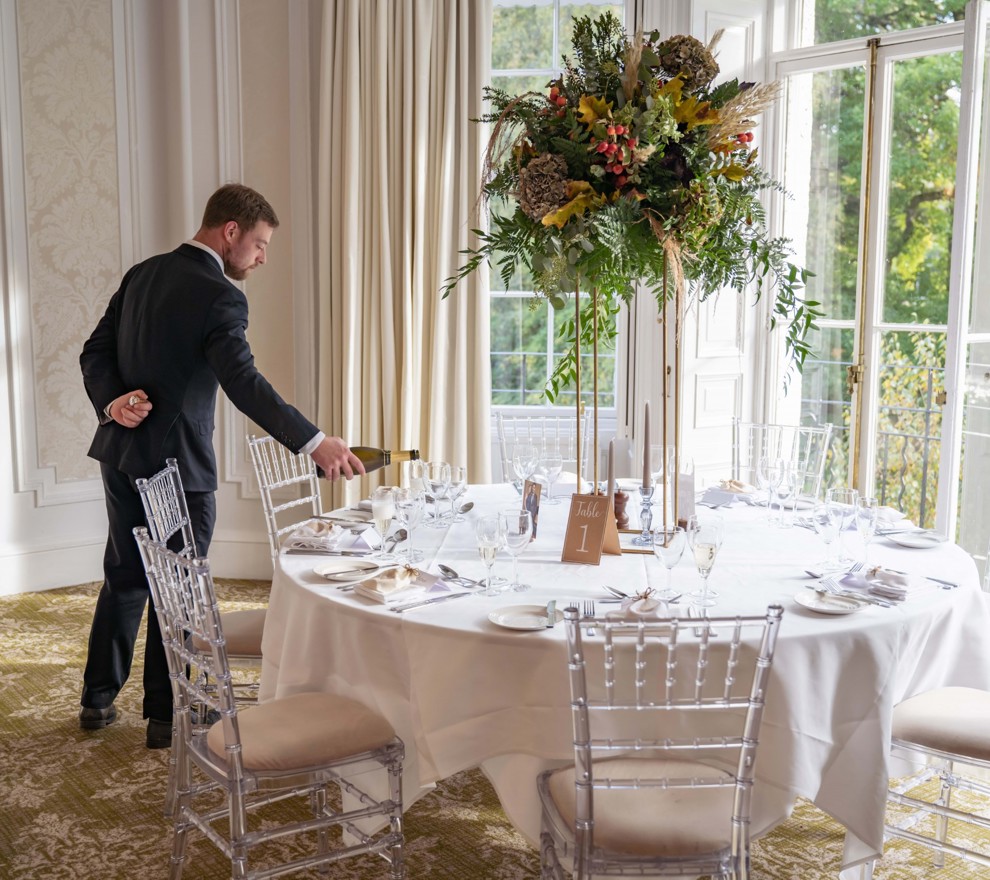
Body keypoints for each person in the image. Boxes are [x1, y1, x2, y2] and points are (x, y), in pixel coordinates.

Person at [78, 183, 364, 748]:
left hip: (122, 455)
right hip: (177, 470)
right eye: (259, 244)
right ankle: (165, 716)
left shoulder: (144, 273)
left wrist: (115, 402)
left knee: (126, 574)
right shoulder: (219, 295)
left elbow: (95, 352)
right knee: (179, 586)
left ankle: (97, 699)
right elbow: (242, 382)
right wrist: (312, 442)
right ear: (229, 231)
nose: (261, 258)